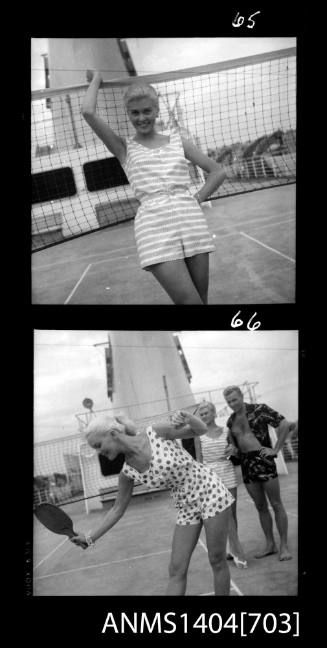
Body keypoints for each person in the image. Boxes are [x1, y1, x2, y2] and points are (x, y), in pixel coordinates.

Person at [81, 71, 227, 304]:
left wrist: (196, 198)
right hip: (154, 228)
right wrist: (97, 79)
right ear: (128, 114)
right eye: (135, 113)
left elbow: (218, 171)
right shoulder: (123, 148)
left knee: (202, 301)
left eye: (147, 110)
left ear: (156, 110)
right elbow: (88, 112)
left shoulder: (179, 141)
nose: (141, 118)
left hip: (191, 221)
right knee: (189, 302)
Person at [71, 410, 234, 595]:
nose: (99, 451)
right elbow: (117, 509)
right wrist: (90, 537)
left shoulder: (155, 432)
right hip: (186, 506)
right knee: (176, 569)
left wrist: (188, 416)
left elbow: (200, 429)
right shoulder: (127, 472)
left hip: (209, 491)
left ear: (113, 434)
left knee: (217, 559)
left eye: (98, 445)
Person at [223, 386, 292, 562]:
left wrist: (276, 449)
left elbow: (284, 423)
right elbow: (235, 448)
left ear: (241, 396)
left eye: (234, 400)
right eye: (229, 401)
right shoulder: (230, 422)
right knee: (260, 507)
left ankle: (283, 545)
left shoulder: (260, 409)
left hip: (263, 460)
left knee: (276, 504)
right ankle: (270, 545)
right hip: (247, 464)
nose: (232, 404)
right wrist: (232, 451)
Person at [195, 401, 247, 569]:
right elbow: (198, 460)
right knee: (221, 515)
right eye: (201, 414)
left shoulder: (226, 431)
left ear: (214, 413)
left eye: (206, 413)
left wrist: (234, 450)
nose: (204, 416)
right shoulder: (198, 435)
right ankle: (235, 551)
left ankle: (233, 548)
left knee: (232, 512)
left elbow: (235, 450)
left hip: (227, 470)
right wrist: (201, 481)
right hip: (210, 475)